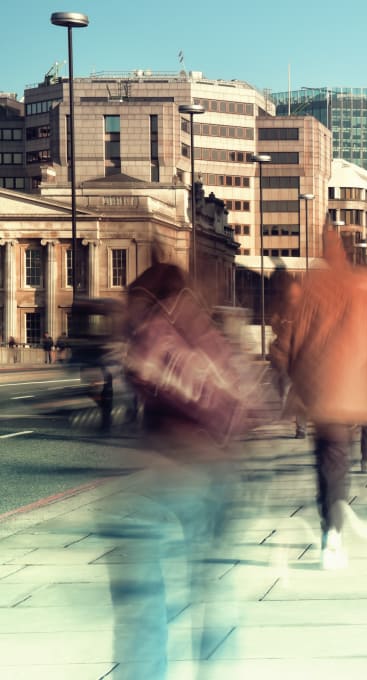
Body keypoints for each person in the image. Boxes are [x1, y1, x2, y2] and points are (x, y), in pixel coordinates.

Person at [102, 247, 245, 678]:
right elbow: (243, 402)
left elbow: (140, 376)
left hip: (166, 471)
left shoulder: (153, 333)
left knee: (142, 602)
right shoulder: (211, 335)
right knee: (210, 593)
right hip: (217, 472)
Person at [280, 234, 367, 568]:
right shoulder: (360, 285)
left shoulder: (311, 285)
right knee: (337, 459)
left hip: (317, 387)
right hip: (349, 385)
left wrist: (297, 374)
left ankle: (328, 525)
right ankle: (333, 532)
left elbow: (289, 338)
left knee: (324, 459)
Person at [269, 276, 308, 439]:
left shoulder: (305, 309)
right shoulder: (283, 308)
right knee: (284, 386)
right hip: (285, 356)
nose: (293, 296)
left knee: (298, 392)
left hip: (300, 357)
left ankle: (301, 426)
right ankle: (299, 422)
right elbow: (274, 323)